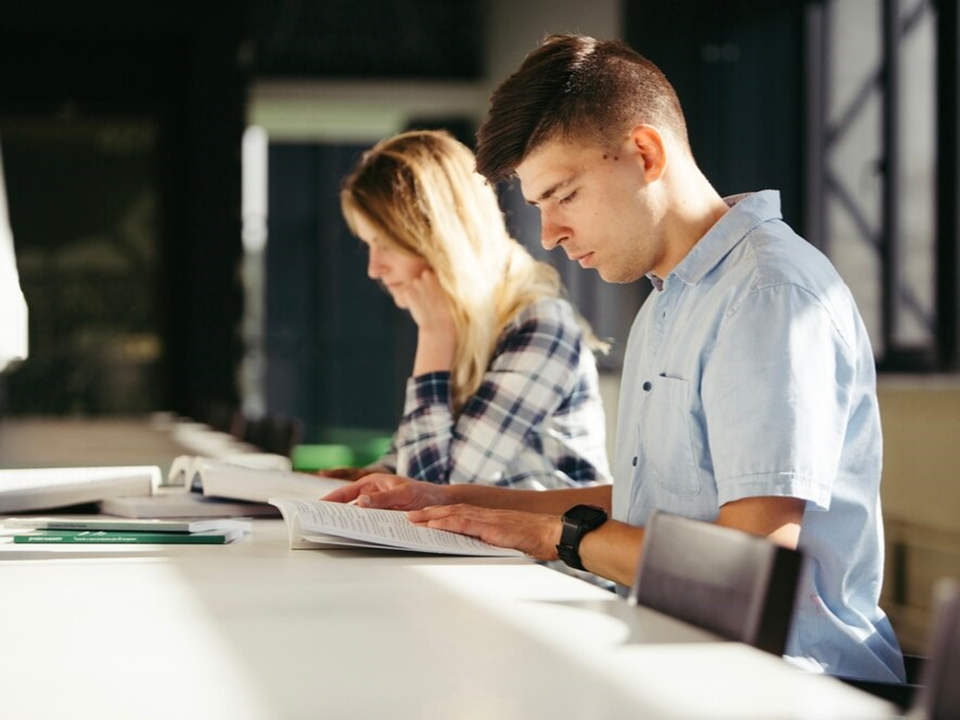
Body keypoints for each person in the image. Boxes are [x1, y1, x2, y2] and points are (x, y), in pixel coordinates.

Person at [324, 35, 905, 683]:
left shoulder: (767, 295)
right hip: (670, 642)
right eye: (538, 207)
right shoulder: (668, 300)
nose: (549, 235)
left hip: (785, 680)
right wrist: (449, 496)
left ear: (645, 153)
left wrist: (555, 536)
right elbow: (649, 501)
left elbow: (749, 565)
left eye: (564, 195)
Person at [329, 128, 610, 490]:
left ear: (437, 237)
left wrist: (434, 339)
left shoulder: (541, 325)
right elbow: (411, 460)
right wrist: (368, 476)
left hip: (543, 548)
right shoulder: (467, 325)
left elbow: (435, 490)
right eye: (368, 244)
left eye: (385, 243)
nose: (374, 268)